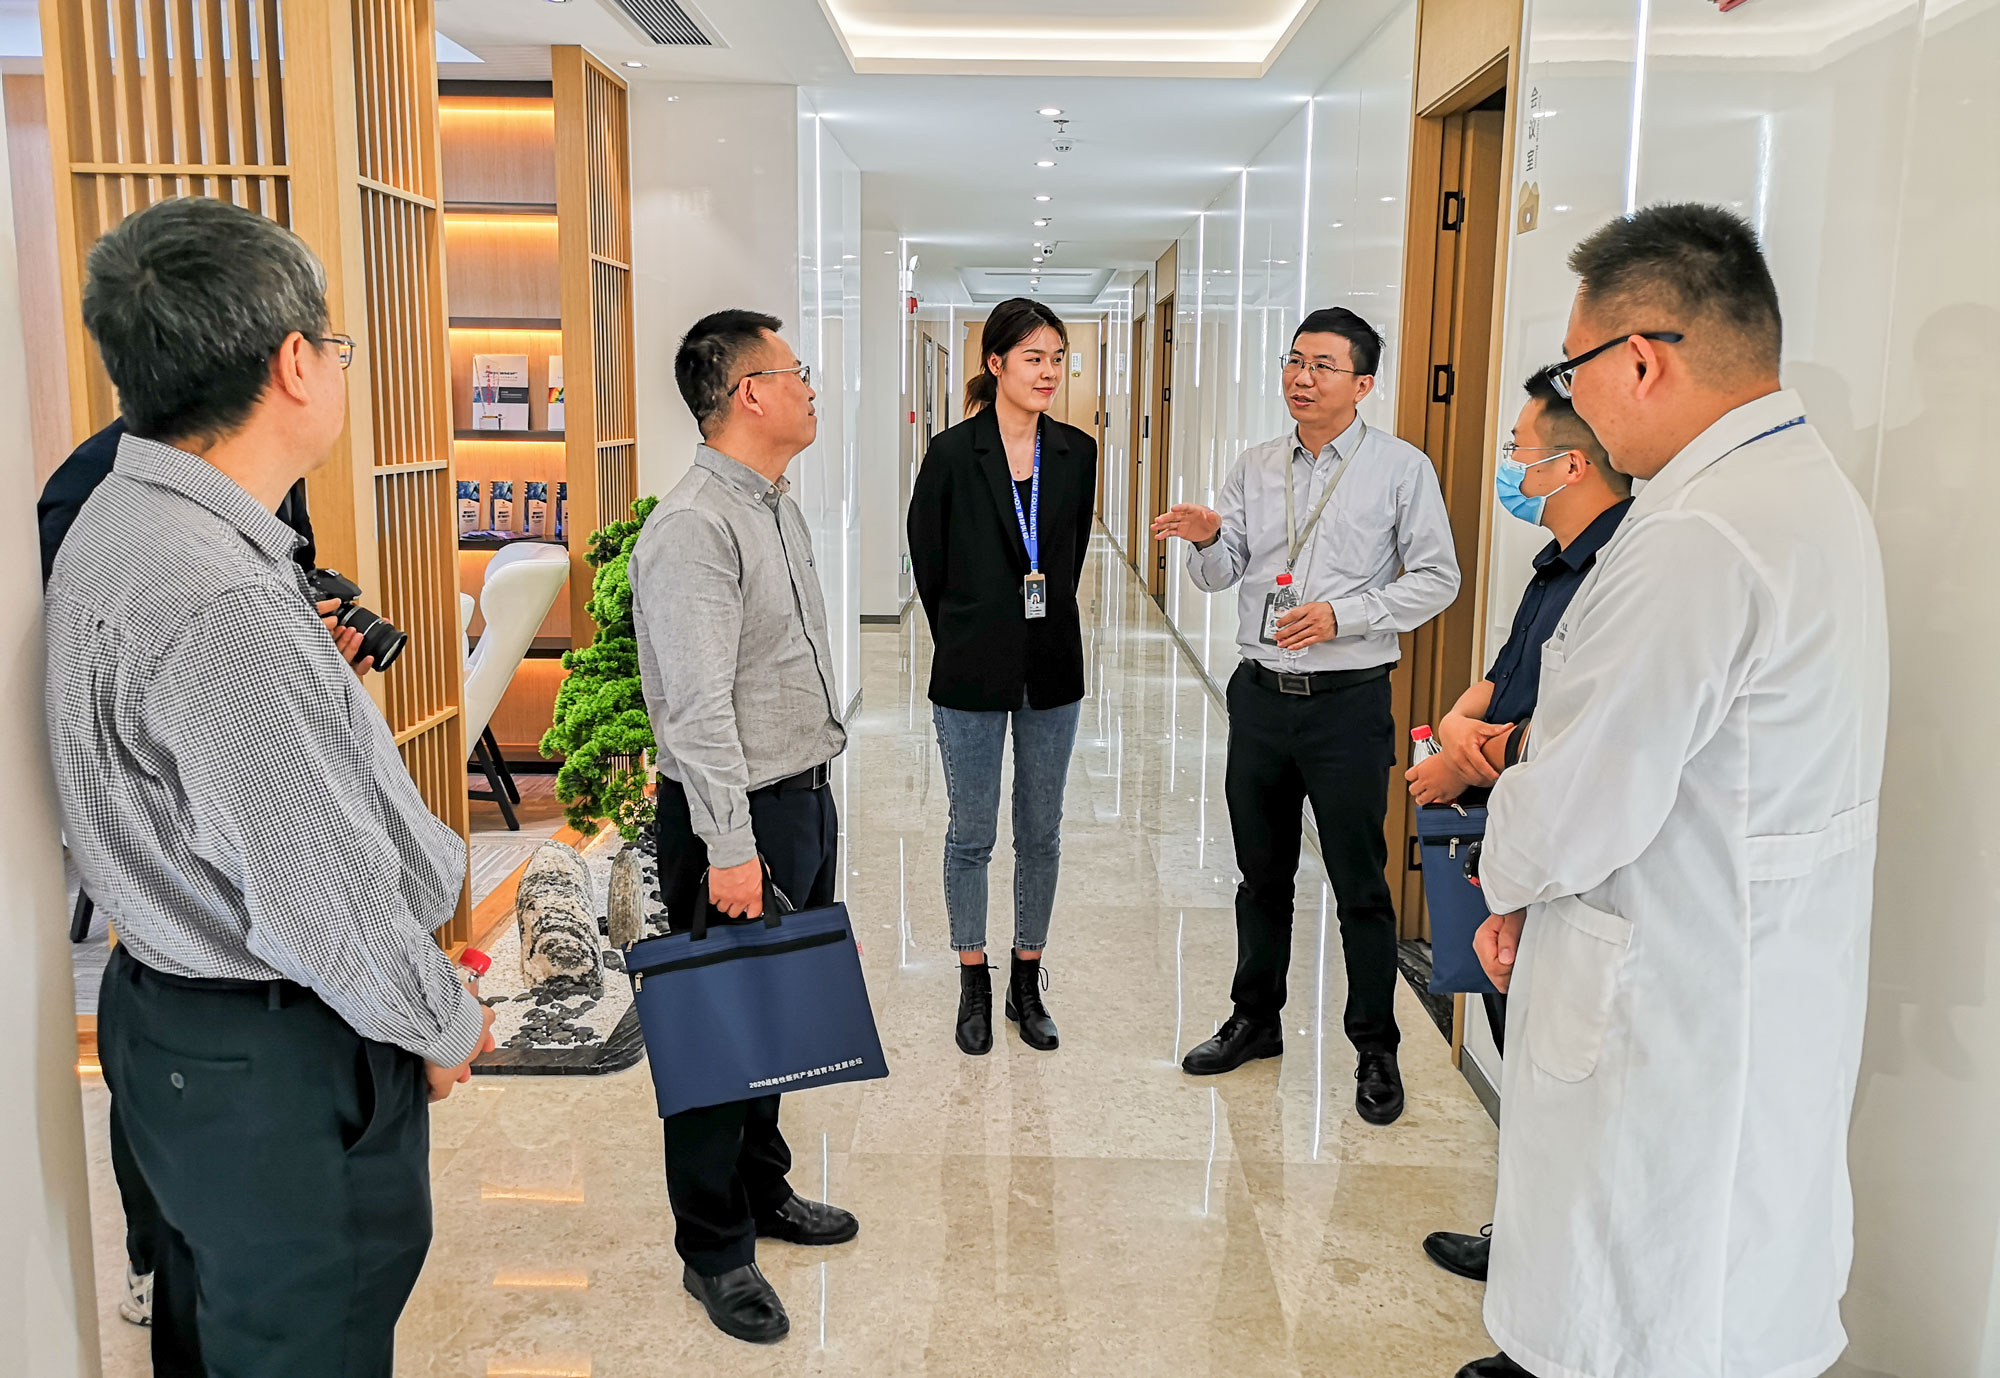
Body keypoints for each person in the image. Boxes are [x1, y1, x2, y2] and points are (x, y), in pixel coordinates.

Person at [45, 195, 496, 1378]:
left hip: (176, 1025)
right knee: (307, 1339)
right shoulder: (220, 598)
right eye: (335, 346)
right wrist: (440, 1020)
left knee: (214, 1331)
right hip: (276, 1052)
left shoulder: (122, 515)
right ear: (294, 362)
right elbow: (317, 899)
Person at [1459, 203, 1889, 1378]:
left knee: (1643, 1310)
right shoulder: (1799, 491)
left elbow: (1579, 802)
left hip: (1671, 1001)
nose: (1573, 404)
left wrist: (1505, 876)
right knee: (1720, 1292)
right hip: (1746, 976)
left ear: (1639, 358)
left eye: (1572, 370)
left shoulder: (1696, 531)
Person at [38, 414, 365, 1354]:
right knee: (232, 1258)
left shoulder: (257, 473)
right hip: (189, 928)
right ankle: (151, 1255)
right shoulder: (100, 498)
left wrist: (305, 653)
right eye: (329, 350)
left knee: (258, 1279)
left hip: (253, 908)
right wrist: (431, 1020)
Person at [1153, 306, 1460, 1124]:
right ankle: (1255, 1020)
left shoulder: (1400, 469)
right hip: (1260, 697)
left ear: (1362, 384)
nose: (1302, 377)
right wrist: (1207, 537)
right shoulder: (1256, 465)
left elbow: (1438, 579)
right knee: (1261, 876)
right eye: (1294, 361)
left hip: (1347, 703)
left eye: (1323, 365)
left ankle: (1375, 1047)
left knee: (1360, 883)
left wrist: (1343, 616)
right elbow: (1219, 577)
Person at [626, 309, 860, 1345]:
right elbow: (694, 709)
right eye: (794, 371)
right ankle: (714, 1251)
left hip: (798, 798)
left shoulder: (772, 505)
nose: (810, 387)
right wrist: (730, 847)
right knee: (717, 1043)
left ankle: (765, 1191)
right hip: (734, 815)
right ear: (749, 393)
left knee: (779, 1019)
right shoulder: (693, 527)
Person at [1402, 371, 1632, 1289]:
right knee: (1519, 1044)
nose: (1507, 466)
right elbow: (1500, 687)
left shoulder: (1619, 570)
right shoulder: (1556, 562)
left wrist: (1462, 760)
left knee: (1555, 1070)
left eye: (1517, 451)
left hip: (1564, 859)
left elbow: (1562, 735)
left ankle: (1547, 1276)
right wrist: (1464, 734)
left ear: (1569, 465)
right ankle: (1525, 1245)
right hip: (1512, 833)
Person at [908, 297, 1098, 1055]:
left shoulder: (1077, 452)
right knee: (972, 833)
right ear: (995, 364)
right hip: (971, 668)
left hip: (1052, 666)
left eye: (1057, 358)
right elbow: (928, 560)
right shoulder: (953, 453)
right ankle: (973, 981)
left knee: (1041, 832)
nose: (1048, 371)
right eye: (1033, 358)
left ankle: (1027, 978)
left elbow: (1070, 557)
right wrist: (967, 629)